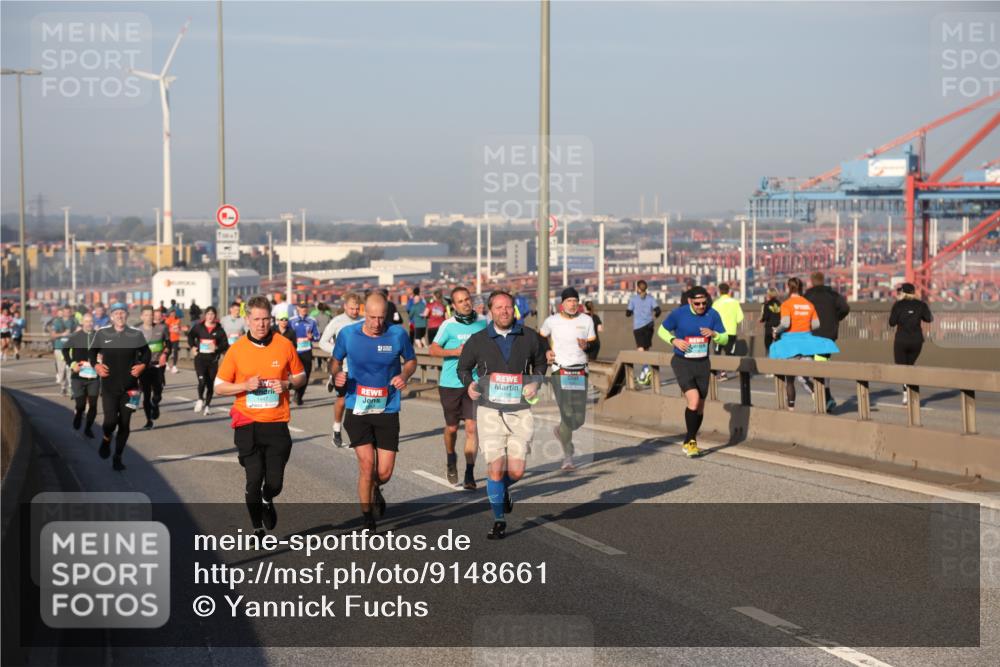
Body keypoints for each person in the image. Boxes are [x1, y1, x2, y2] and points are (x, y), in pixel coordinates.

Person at [458, 290, 548, 540]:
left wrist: (536, 381)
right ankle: (499, 520)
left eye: (508, 307)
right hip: (490, 411)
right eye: (498, 307)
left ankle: (500, 491)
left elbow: (541, 363)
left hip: (520, 410)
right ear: (490, 311)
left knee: (516, 472)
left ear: (514, 309)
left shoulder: (529, 336)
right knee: (496, 470)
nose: (504, 311)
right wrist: (469, 384)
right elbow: (463, 368)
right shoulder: (478, 340)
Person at [214, 295, 307, 537]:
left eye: (265, 319)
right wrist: (244, 386)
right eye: (256, 319)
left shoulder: (284, 345)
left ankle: (268, 497)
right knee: (253, 479)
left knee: (274, 483)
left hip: (277, 423)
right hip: (247, 423)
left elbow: (301, 376)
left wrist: (287, 384)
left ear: (271, 319)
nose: (261, 324)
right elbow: (219, 386)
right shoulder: (237, 350)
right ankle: (257, 529)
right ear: (247, 320)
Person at [331, 292, 417, 533]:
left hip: (387, 408)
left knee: (384, 473)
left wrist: (404, 374)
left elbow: (411, 361)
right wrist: (336, 374)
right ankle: (367, 518)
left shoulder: (397, 334)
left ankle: (375, 487)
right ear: (363, 312)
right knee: (367, 466)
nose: (377, 323)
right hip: (357, 407)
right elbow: (334, 361)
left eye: (381, 318)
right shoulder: (348, 334)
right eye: (372, 317)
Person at [657, 286, 727, 458]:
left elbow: (725, 338)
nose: (701, 306)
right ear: (690, 301)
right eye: (697, 304)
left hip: (702, 363)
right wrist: (674, 340)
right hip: (682, 362)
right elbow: (661, 330)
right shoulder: (679, 314)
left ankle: (689, 439)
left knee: (700, 406)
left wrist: (714, 334)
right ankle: (692, 440)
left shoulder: (713, 314)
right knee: (694, 401)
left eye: (704, 303)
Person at [429, 286, 487, 489]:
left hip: (474, 383)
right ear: (454, 305)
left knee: (472, 427)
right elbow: (433, 349)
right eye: (460, 301)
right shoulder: (448, 325)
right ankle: (451, 457)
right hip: (450, 384)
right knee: (452, 428)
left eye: (467, 299)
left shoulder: (483, 322)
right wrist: (455, 352)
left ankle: (469, 473)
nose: (465, 303)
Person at [540, 287, 597, 471]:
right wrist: (546, 351)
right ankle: (568, 456)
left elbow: (594, 345)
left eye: (575, 301)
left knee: (578, 419)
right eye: (569, 301)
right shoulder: (552, 321)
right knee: (567, 413)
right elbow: (540, 338)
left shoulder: (586, 320)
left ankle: (561, 431)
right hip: (560, 370)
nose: (573, 304)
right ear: (562, 304)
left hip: (580, 372)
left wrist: (587, 346)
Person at [89, 303, 150, 471]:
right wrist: (96, 366)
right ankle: (106, 438)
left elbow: (146, 353)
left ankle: (118, 456)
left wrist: (142, 365)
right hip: (109, 386)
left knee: (125, 423)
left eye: (122, 312)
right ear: (111, 316)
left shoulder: (136, 334)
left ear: (127, 315)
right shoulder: (103, 333)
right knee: (110, 421)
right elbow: (92, 353)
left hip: (131, 388)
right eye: (116, 313)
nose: (120, 315)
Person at [769, 277, 840, 411]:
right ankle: (820, 398)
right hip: (808, 344)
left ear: (789, 288)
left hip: (790, 345)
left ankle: (790, 409)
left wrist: (776, 330)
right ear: (801, 288)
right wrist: (804, 327)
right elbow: (816, 324)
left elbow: (785, 323)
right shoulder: (809, 304)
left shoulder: (787, 304)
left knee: (790, 379)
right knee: (804, 376)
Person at [319, 292, 363, 447]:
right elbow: (322, 342)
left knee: (360, 400)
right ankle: (336, 429)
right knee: (342, 400)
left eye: (357, 309)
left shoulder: (364, 321)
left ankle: (360, 434)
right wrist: (339, 351)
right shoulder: (337, 321)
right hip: (342, 367)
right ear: (345, 307)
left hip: (360, 368)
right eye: (351, 309)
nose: (355, 312)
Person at [804, 272, 849, 411]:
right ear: (823, 280)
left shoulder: (807, 296)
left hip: (812, 337)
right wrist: (836, 318)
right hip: (828, 337)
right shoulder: (833, 294)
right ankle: (826, 398)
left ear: (812, 281)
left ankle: (823, 400)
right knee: (822, 365)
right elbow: (845, 308)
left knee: (811, 368)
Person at [889, 282, 933, 405]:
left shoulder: (898, 305)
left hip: (901, 341)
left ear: (903, 292)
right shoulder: (921, 305)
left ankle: (906, 395)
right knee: (910, 366)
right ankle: (913, 392)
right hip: (916, 341)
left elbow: (892, 322)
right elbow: (929, 318)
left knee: (903, 368)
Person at [63, 313, 101, 438]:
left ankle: (88, 428)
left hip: (93, 376)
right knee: (81, 405)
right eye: (87, 321)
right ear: (82, 322)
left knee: (93, 405)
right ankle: (79, 414)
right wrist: (72, 364)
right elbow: (65, 350)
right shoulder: (76, 336)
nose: (89, 323)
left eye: (91, 321)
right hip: (78, 376)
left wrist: (102, 357)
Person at [188, 307, 229, 415]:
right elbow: (190, 336)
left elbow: (225, 344)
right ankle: (200, 399)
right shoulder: (198, 327)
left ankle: (207, 406)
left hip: (212, 361)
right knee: (202, 381)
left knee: (210, 384)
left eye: (212, 314)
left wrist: (217, 348)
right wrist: (192, 347)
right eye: (208, 314)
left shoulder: (219, 330)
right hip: (200, 359)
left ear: (215, 316)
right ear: (205, 315)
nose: (210, 316)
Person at [137, 305, 171, 429]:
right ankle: (149, 421)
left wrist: (165, 354)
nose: (149, 317)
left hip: (158, 365)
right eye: (146, 315)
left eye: (151, 315)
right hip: (144, 366)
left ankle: (155, 403)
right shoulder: (137, 331)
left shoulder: (162, 328)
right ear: (141, 316)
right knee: (146, 394)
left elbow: (168, 344)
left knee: (158, 393)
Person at [625, 280, 661, 385]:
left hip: (639, 327)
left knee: (640, 349)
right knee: (646, 349)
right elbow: (658, 311)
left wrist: (633, 312)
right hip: (649, 326)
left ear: (638, 288)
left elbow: (628, 313)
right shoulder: (651, 298)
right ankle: (643, 375)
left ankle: (646, 369)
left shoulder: (633, 299)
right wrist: (653, 317)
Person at [288, 300, 321, 406]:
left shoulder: (312, 320)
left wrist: (312, 337)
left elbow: (317, 336)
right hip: (294, 351)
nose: (304, 309)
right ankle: (292, 392)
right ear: (298, 308)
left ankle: (299, 395)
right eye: (302, 307)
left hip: (306, 350)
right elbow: (287, 334)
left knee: (306, 374)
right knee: (293, 374)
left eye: (305, 307)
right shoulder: (291, 321)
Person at [710, 283, 744, 381]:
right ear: (729, 291)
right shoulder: (735, 302)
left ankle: (719, 373)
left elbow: (711, 318)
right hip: (731, 332)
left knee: (718, 352)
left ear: (719, 291)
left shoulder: (716, 303)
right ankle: (730, 371)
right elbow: (740, 318)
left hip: (719, 332)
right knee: (729, 352)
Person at [47, 305, 78, 395]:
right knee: (62, 369)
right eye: (66, 312)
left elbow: (79, 331)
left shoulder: (74, 321)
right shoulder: (57, 322)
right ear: (63, 312)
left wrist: (74, 334)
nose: (67, 314)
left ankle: (70, 387)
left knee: (70, 368)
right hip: (60, 348)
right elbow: (53, 335)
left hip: (71, 348)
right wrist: (63, 334)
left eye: (69, 312)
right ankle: (63, 386)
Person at [759, 287, 782, 358]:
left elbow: (765, 316)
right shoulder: (780, 304)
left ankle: (768, 361)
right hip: (778, 328)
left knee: (768, 347)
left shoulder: (767, 304)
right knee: (778, 346)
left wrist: (761, 320)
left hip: (769, 328)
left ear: (769, 294)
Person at [164, 308, 183, 373]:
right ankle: (166, 362)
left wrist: (180, 330)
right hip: (169, 338)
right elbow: (165, 330)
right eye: (171, 313)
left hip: (176, 338)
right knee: (169, 352)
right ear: (169, 313)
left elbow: (179, 327)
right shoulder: (167, 320)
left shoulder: (178, 320)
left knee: (175, 352)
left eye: (174, 312)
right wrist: (167, 337)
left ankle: (174, 366)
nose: (173, 314)